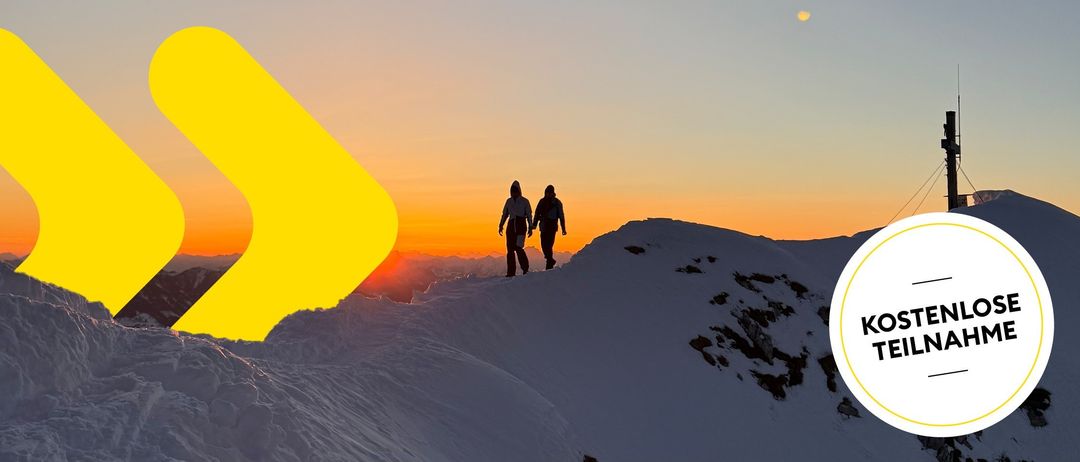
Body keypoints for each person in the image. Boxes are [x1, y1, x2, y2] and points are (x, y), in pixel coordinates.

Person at [498, 180, 533, 277]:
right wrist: (501, 225)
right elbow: (504, 214)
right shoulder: (509, 201)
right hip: (511, 226)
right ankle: (511, 272)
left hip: (521, 226)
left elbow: (529, 215)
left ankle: (525, 269)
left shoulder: (525, 201)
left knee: (519, 248)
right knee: (510, 250)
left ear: (519, 191)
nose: (513, 193)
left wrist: (530, 227)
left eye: (515, 191)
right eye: (512, 191)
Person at [532, 184, 566, 270]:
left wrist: (563, 228)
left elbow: (561, 216)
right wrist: (534, 224)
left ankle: (549, 264)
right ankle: (550, 260)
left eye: (550, 192)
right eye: (547, 192)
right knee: (544, 245)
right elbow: (537, 213)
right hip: (543, 226)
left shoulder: (557, 203)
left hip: (552, 226)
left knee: (549, 245)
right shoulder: (542, 201)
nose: (548, 194)